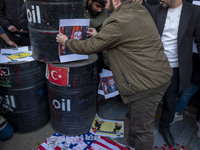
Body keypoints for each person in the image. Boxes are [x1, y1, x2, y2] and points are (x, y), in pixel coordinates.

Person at [56, 0, 172, 149]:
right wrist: (99, 35)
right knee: (136, 118)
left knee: (143, 130)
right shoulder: (138, 10)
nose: (104, 5)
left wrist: (66, 42)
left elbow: (89, 46)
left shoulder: (118, 20)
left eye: (106, 1)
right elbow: (124, 37)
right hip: (156, 75)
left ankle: (138, 143)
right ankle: (131, 143)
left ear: (116, 1)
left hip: (147, 85)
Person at [151, 0, 200, 147]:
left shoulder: (194, 12)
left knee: (170, 101)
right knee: (149, 97)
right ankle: (142, 122)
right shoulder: (154, 10)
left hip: (177, 67)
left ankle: (164, 127)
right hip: (154, 65)